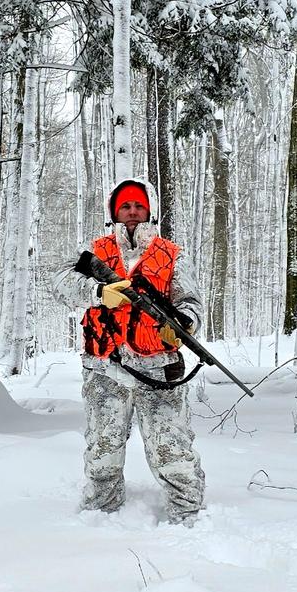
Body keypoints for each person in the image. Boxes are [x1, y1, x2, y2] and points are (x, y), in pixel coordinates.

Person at [53, 178, 205, 525]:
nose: (132, 212)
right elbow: (60, 282)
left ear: (149, 210)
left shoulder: (171, 254)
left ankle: (188, 516)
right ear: (114, 212)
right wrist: (98, 293)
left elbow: (192, 302)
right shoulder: (95, 250)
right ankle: (99, 518)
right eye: (125, 206)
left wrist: (185, 323)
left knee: (172, 450)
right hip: (104, 368)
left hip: (159, 368)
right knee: (103, 449)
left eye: (138, 205)